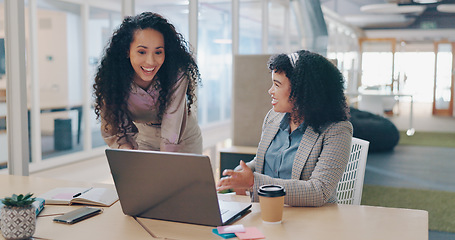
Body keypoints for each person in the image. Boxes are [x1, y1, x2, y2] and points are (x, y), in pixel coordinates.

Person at [216, 50, 353, 207]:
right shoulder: (273, 118)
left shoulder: (337, 130)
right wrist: (239, 175)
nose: (270, 91)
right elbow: (263, 161)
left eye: (277, 84)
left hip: (311, 220)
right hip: (269, 211)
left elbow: (319, 191)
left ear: (301, 91)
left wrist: (254, 182)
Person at [93, 12, 202, 154]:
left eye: (158, 52)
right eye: (142, 52)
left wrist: (169, 160)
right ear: (127, 51)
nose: (150, 61)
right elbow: (115, 127)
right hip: (143, 136)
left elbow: (172, 124)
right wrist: (127, 153)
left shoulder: (176, 74)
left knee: (180, 176)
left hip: (183, 138)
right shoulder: (113, 78)